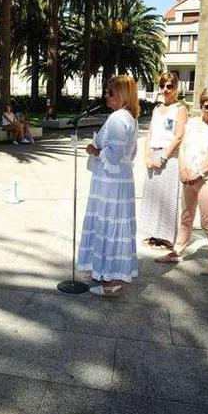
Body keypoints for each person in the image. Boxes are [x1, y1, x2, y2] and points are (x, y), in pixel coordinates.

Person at [156, 87, 208, 274]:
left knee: (207, 220)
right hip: (189, 176)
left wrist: (197, 173)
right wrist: (183, 170)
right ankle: (177, 251)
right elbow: (182, 148)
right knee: (186, 216)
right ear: (201, 105)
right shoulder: (191, 123)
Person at [77, 75, 140, 296]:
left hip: (110, 184)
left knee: (109, 224)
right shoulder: (129, 117)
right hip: (117, 180)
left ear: (121, 94)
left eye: (109, 92)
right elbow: (129, 153)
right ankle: (105, 272)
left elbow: (113, 155)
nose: (105, 95)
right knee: (112, 224)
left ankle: (111, 282)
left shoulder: (117, 118)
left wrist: (94, 150)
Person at [140, 72, 188, 250]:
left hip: (169, 157)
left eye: (170, 86)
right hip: (153, 153)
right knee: (153, 195)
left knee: (167, 197)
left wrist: (162, 158)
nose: (166, 90)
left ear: (176, 88)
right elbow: (150, 133)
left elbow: (178, 136)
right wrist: (146, 155)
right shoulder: (156, 109)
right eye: (163, 86)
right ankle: (154, 233)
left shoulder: (180, 109)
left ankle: (167, 237)